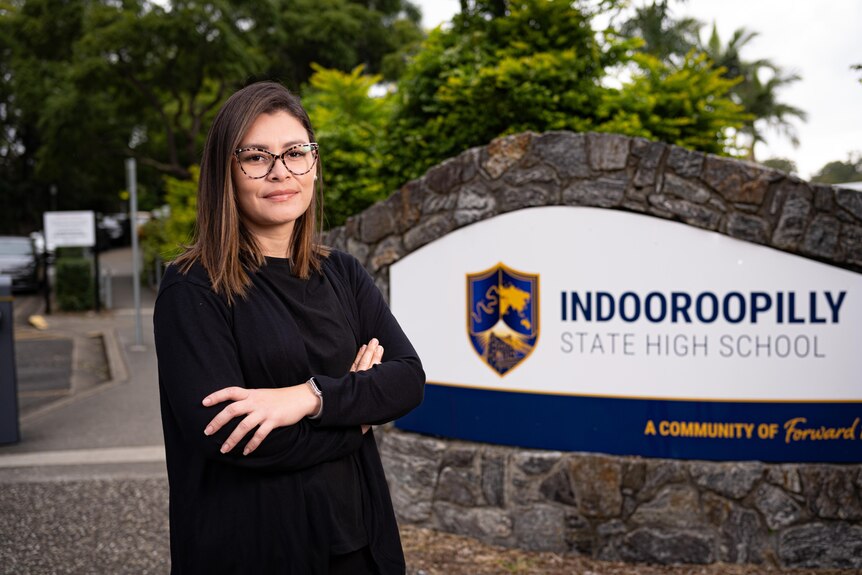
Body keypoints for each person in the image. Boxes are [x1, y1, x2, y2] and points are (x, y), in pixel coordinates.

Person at [153, 81, 425, 574]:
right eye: (256, 156)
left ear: (314, 164)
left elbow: (406, 379)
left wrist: (308, 398)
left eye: (295, 152)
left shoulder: (342, 273)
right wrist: (357, 412)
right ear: (225, 172)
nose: (281, 172)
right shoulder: (194, 289)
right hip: (253, 549)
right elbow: (233, 435)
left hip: (357, 543)